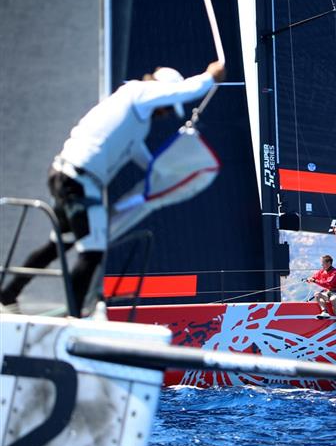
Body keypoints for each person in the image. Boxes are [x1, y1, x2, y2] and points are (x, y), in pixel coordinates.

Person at [0, 61, 226, 315]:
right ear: (160, 92)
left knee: (59, 246)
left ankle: (8, 294)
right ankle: (72, 320)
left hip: (66, 177)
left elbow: (148, 163)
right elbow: (183, 91)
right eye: (165, 107)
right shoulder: (137, 93)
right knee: (93, 253)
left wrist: (173, 169)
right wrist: (209, 77)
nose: (164, 113)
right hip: (79, 183)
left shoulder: (139, 124)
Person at [306, 255, 336, 321]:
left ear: (328, 263)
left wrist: (314, 281)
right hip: (328, 293)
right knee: (317, 294)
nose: (321, 264)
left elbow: (327, 284)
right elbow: (314, 277)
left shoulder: (335, 273)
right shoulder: (322, 271)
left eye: (323, 263)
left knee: (333, 299)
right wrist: (310, 279)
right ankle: (325, 312)